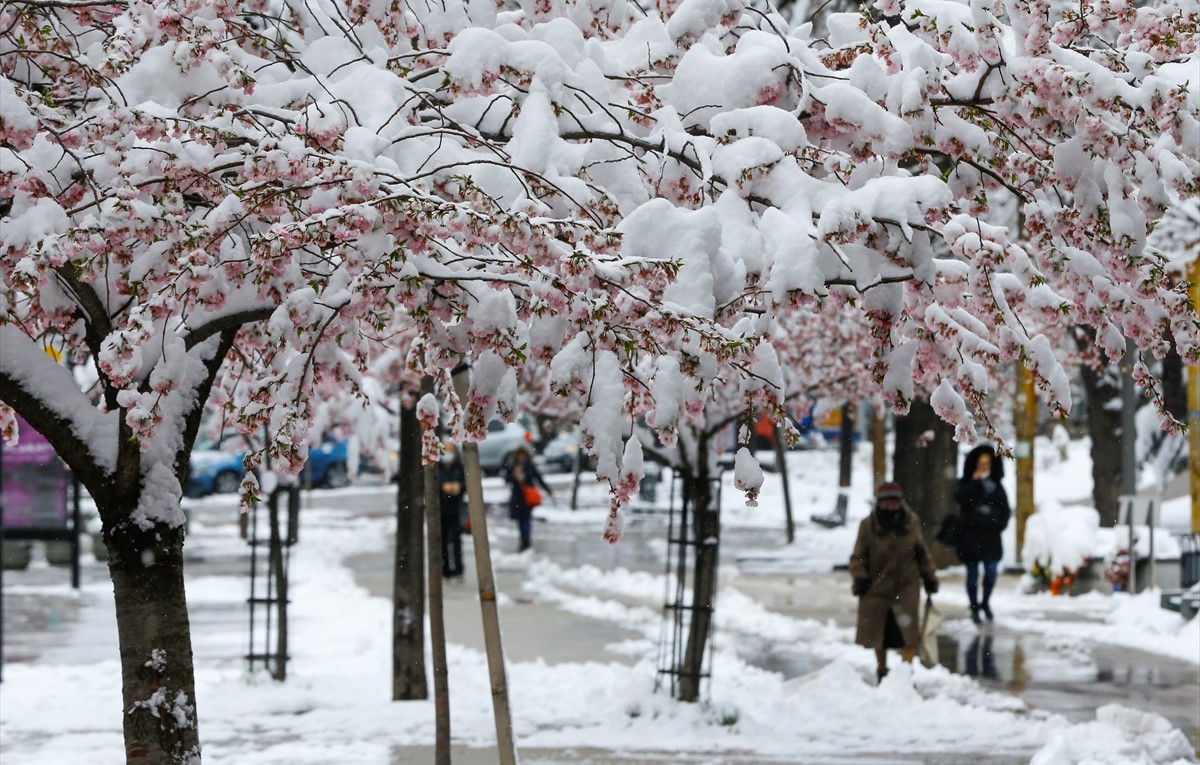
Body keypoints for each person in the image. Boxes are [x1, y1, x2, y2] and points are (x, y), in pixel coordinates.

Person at [849, 482, 939, 683]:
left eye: (894, 503)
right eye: (887, 503)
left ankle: (905, 675)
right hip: (876, 587)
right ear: (879, 503)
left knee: (909, 635)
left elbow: (921, 553)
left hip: (906, 586)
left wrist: (929, 576)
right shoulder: (868, 525)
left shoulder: (911, 521)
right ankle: (882, 671)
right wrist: (860, 578)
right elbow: (858, 556)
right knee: (879, 635)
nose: (891, 507)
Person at [953, 444, 1011, 624]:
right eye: (981, 463)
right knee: (972, 574)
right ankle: (973, 607)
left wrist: (997, 523)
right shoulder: (967, 482)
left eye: (987, 463)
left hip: (991, 537)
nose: (984, 466)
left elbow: (1004, 510)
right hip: (970, 536)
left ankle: (985, 602)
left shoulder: (996, 486)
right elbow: (961, 499)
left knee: (991, 572)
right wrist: (975, 482)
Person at [505, 446, 552, 552]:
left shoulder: (529, 466)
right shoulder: (513, 466)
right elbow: (507, 479)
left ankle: (526, 540)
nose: (522, 457)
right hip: (517, 497)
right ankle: (523, 540)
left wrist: (547, 489)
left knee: (526, 519)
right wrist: (514, 476)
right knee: (520, 520)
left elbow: (538, 478)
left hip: (527, 498)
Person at [438, 440, 466, 578]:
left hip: (456, 509)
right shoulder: (438, 468)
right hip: (441, 510)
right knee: (442, 541)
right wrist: (443, 487)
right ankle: (445, 569)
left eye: (450, 450)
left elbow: (465, 483)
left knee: (456, 540)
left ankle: (458, 568)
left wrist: (458, 487)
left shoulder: (459, 467)